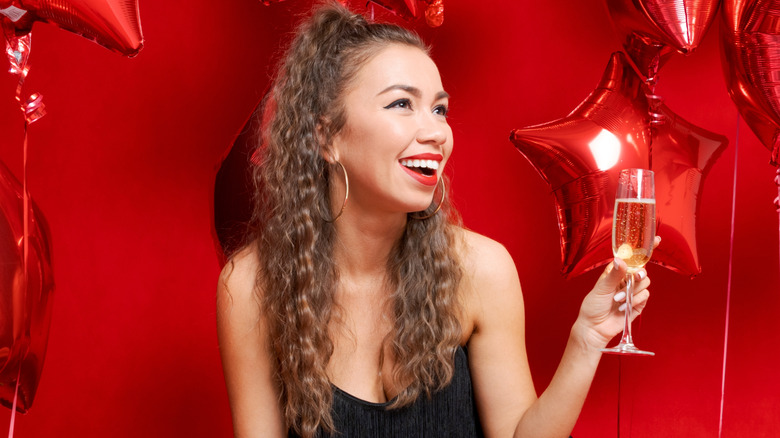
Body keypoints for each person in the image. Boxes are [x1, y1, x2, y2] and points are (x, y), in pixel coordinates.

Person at [216, 3, 655, 437]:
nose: (436, 133)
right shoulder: (250, 286)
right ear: (327, 137)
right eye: (402, 103)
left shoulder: (481, 270)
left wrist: (587, 339)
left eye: (439, 109)